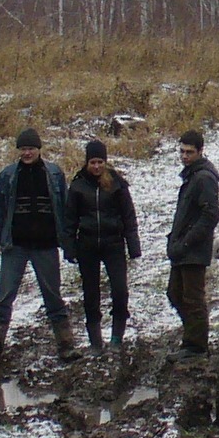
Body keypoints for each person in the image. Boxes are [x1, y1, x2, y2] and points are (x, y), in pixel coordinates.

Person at [0, 127, 81, 362]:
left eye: (31, 148)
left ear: (39, 149)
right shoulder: (7, 176)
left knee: (53, 297)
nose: (27, 153)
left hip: (46, 246)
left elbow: (66, 209)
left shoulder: (54, 174)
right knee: (4, 296)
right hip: (14, 247)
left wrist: (69, 242)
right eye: (23, 149)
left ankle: (66, 345)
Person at [65, 138, 141, 352]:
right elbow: (69, 219)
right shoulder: (78, 185)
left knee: (119, 290)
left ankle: (117, 336)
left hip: (113, 244)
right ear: (87, 163)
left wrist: (133, 246)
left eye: (100, 162)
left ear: (105, 162)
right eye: (93, 162)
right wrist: (69, 247)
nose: (96, 166)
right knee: (91, 293)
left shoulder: (117, 184)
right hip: (87, 244)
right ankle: (95, 341)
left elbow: (128, 216)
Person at [165, 128, 219, 362]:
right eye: (182, 152)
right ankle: (192, 339)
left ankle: (196, 346)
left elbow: (211, 215)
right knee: (175, 293)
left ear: (200, 151)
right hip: (182, 248)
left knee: (192, 298)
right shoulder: (192, 176)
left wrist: (187, 241)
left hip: (193, 250)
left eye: (189, 152)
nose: (184, 156)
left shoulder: (203, 178)